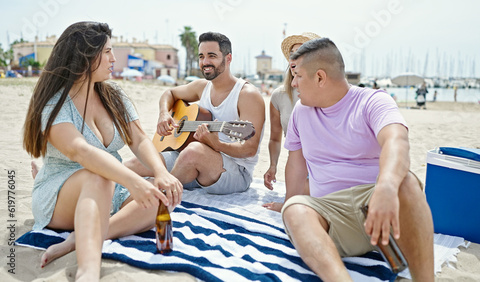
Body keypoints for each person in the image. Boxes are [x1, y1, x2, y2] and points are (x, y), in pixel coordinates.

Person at [22, 22, 182, 280]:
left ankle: (77, 238)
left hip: (110, 186)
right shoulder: (56, 103)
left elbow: (139, 140)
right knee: (99, 176)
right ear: (84, 56)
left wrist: (160, 172)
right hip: (62, 194)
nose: (114, 58)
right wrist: (132, 181)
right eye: (107, 51)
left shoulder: (113, 95)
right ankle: (88, 271)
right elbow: (81, 153)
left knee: (159, 198)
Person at [281, 38, 434, 281]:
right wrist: (289, 200)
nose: (293, 83)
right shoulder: (301, 111)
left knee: (405, 182)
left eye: (297, 75)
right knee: (295, 210)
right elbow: (296, 163)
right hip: (332, 215)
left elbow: (397, 141)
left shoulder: (373, 101)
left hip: (381, 204)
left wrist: (386, 187)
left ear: (320, 77)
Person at [125, 32, 265, 195]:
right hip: (192, 159)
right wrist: (164, 114)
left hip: (235, 171)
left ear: (228, 58)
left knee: (193, 151)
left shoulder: (247, 95)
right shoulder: (201, 86)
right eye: (201, 56)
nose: (205, 62)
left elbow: (250, 149)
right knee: (139, 162)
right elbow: (169, 93)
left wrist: (217, 145)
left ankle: (161, 193)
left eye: (212, 56)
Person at [262, 32, 320, 212]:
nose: (296, 56)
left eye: (302, 51)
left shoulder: (323, 91)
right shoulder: (279, 96)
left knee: (303, 203)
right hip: (296, 165)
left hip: (322, 163)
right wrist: (272, 165)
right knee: (299, 202)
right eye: (293, 53)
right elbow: (275, 138)